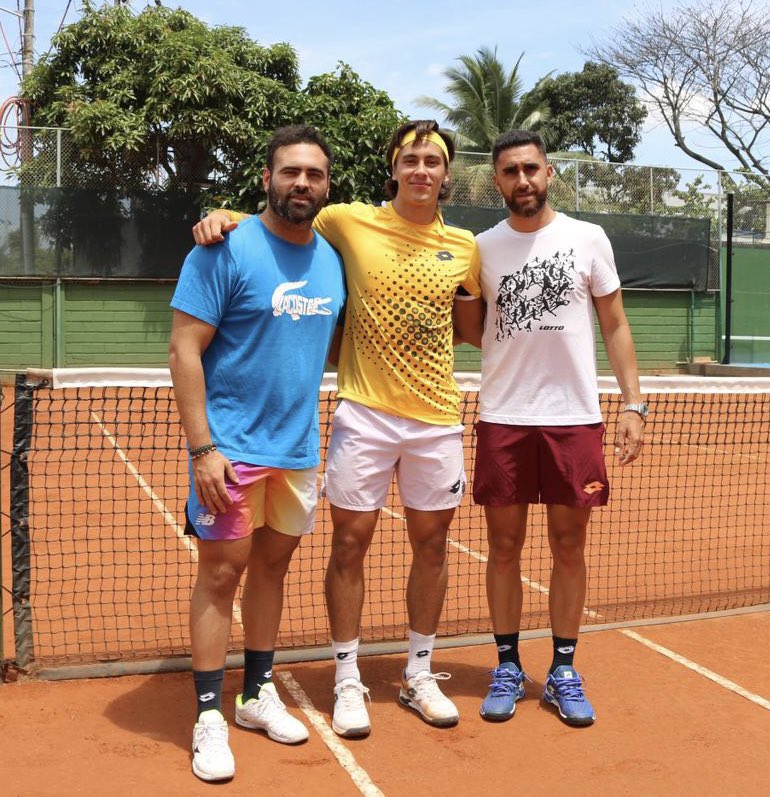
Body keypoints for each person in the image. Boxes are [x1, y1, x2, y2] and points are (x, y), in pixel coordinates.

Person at [192, 120, 481, 737]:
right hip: (363, 413)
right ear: (393, 170)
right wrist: (224, 213)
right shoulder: (345, 222)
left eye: (433, 160)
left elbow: (470, 327)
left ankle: (419, 672)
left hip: (436, 420)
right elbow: (280, 222)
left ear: (447, 173)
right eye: (411, 160)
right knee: (347, 545)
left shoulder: (465, 246)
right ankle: (347, 679)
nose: (422, 170)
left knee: (431, 547)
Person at [169, 124, 346, 782]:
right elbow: (183, 348)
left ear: (328, 186)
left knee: (272, 569)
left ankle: (255, 694)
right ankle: (209, 714)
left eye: (315, 174)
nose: (302, 183)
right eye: (290, 171)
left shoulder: (331, 259)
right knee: (221, 577)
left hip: (298, 450)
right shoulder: (224, 248)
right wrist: (203, 447)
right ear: (267, 178)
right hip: (230, 448)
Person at [453, 129, 645, 728]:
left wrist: (633, 404)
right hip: (504, 419)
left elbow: (614, 325)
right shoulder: (479, 248)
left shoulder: (589, 238)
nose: (523, 181)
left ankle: (563, 669)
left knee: (568, 548)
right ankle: (507, 664)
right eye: (510, 172)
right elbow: (469, 330)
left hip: (575, 422)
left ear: (549, 173)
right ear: (497, 181)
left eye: (531, 169)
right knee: (504, 548)